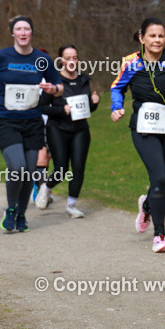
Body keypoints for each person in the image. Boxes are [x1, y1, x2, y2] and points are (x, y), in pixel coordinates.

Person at [110, 18, 165, 253]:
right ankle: (159, 235)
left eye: (161, 36)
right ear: (142, 38)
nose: (157, 40)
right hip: (143, 129)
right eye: (152, 36)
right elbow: (117, 87)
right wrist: (116, 106)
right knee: (158, 178)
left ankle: (147, 204)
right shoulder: (130, 63)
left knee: (163, 181)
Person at [0, 16, 62, 233]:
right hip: (7, 121)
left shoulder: (42, 59)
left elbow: (59, 86)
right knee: (18, 167)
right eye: (18, 29)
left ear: (31, 32)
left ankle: (21, 213)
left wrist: (54, 90)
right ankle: (11, 208)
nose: (23, 32)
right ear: (13, 33)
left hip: (32, 122)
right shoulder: (1, 56)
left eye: (27, 29)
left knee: (30, 172)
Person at [40, 44, 100, 217]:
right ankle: (47, 187)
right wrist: (61, 110)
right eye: (68, 58)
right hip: (57, 128)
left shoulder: (84, 80)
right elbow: (42, 107)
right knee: (61, 169)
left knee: (79, 168)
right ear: (61, 61)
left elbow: (87, 108)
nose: (72, 61)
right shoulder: (54, 81)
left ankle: (71, 205)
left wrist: (95, 102)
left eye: (74, 58)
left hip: (80, 129)